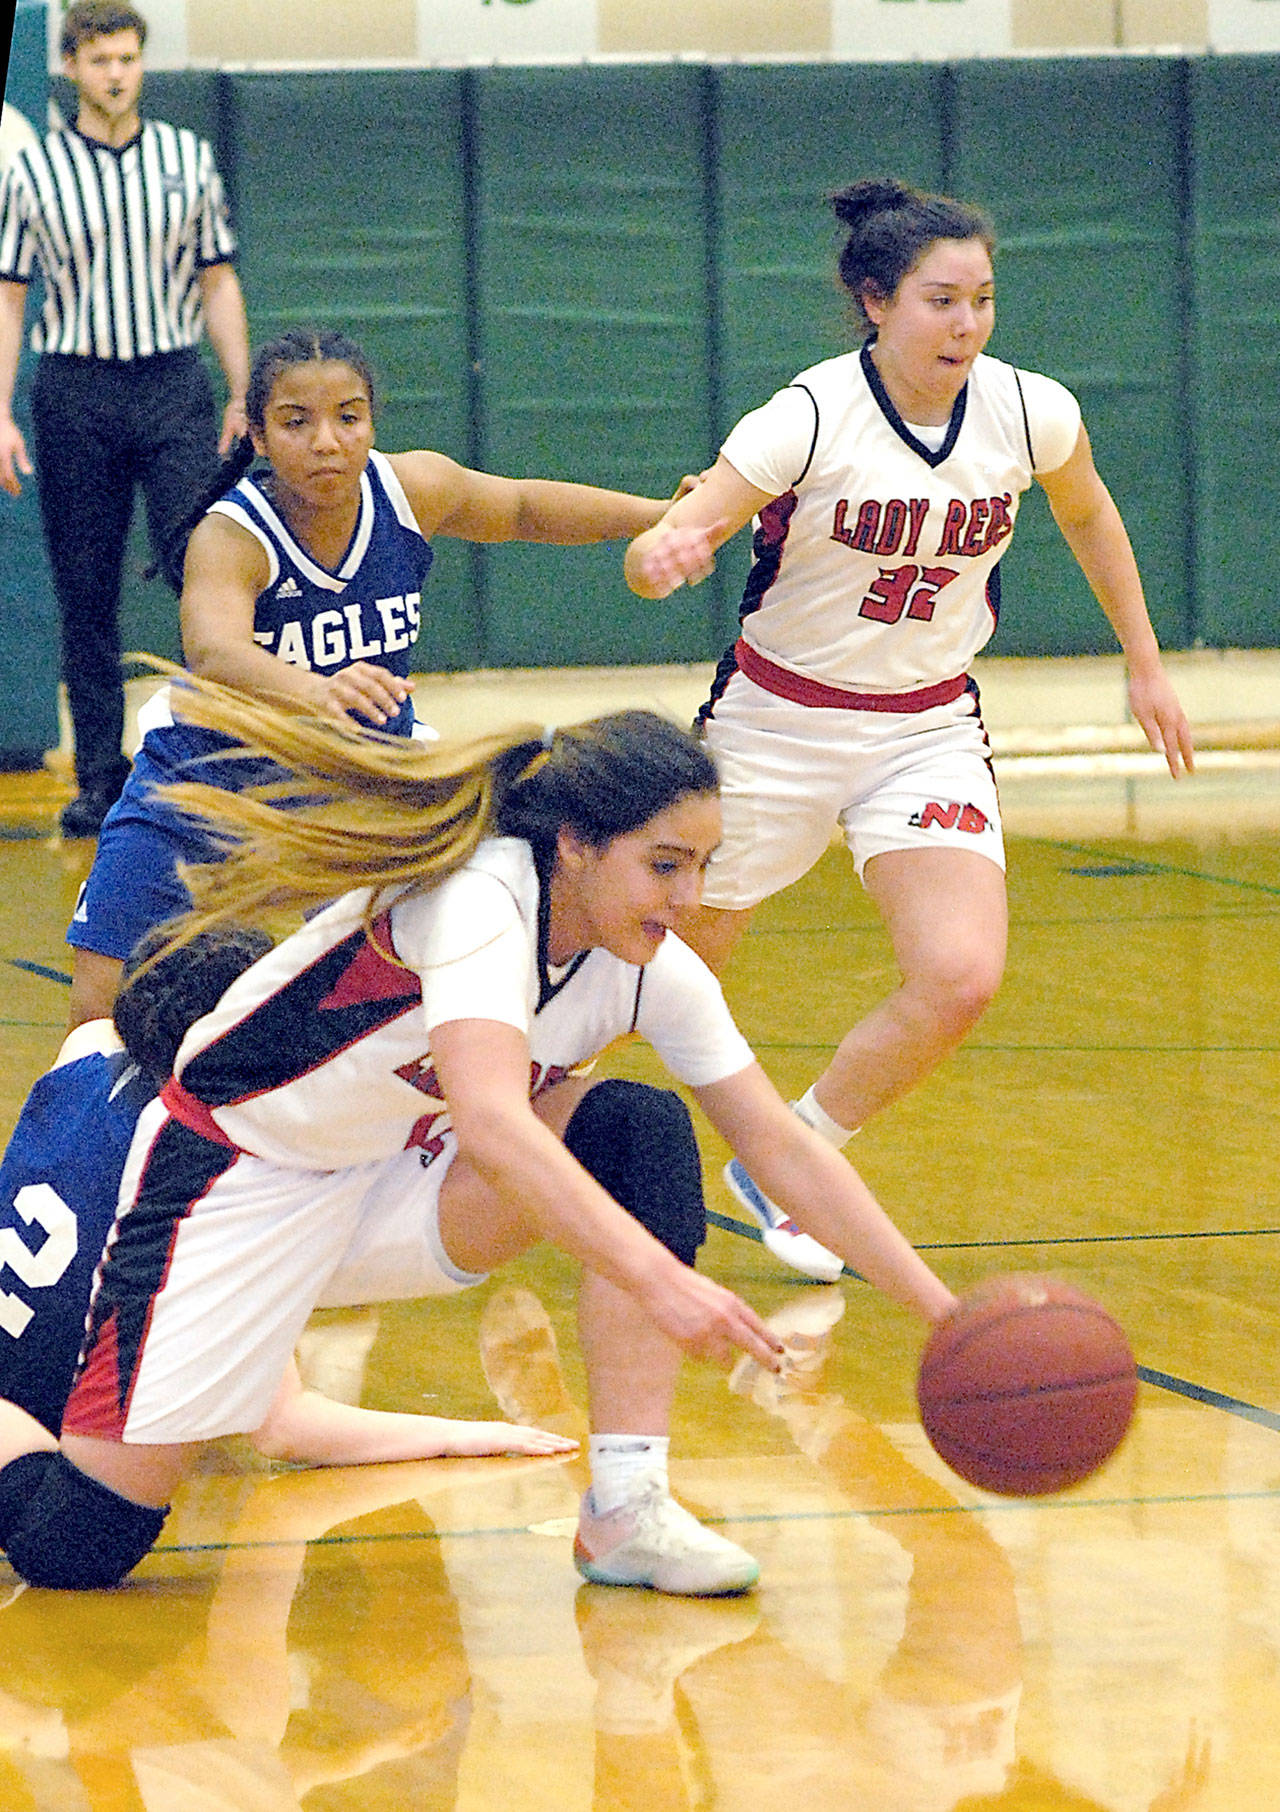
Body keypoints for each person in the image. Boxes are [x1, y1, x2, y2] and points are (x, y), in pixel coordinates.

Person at [0, 686, 958, 1596]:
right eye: (665, 865)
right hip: (228, 1182)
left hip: (395, 1184)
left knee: (634, 1128)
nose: (690, 897)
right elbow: (496, 1124)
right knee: (79, 1543)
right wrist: (667, 1284)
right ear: (576, 845)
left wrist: (944, 1317)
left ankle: (626, 1507)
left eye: (704, 867)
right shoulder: (478, 899)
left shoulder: (642, 967)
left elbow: (783, 1150)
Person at [623, 176, 1196, 1282]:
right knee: (649, 971)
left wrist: (1142, 661)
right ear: (874, 302)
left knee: (959, 974)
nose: (967, 323)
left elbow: (1085, 510)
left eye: (981, 298)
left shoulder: (1029, 409)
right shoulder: (806, 415)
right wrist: (661, 557)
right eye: (941, 300)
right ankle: (490, 1137)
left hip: (923, 728)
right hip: (774, 727)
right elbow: (675, 539)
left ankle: (789, 1161)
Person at [64, 323, 697, 1029]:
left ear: (371, 422)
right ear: (258, 436)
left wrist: (661, 515)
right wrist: (318, 689)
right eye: (296, 422)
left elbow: (522, 507)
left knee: (400, 1001)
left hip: (354, 785)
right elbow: (215, 652)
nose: (327, 441)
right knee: (98, 1005)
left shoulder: (411, 489)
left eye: (348, 417)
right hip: (212, 781)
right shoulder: (232, 535)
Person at [0, 921, 578, 1469]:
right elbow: (285, 1427)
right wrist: (459, 1434)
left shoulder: (86, 1048)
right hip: (43, 1446)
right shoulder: (213, 1176)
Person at [0, 1, 251, 837]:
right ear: (70, 66)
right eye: (100, 59)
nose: (116, 72)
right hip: (74, 390)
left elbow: (218, 281)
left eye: (128, 58)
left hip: (174, 383)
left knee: (201, 569)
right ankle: (100, 779)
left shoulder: (187, 157)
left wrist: (244, 388)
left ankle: (210, 761)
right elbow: (10, 297)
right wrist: (0, 409)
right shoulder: (33, 172)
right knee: (86, 591)